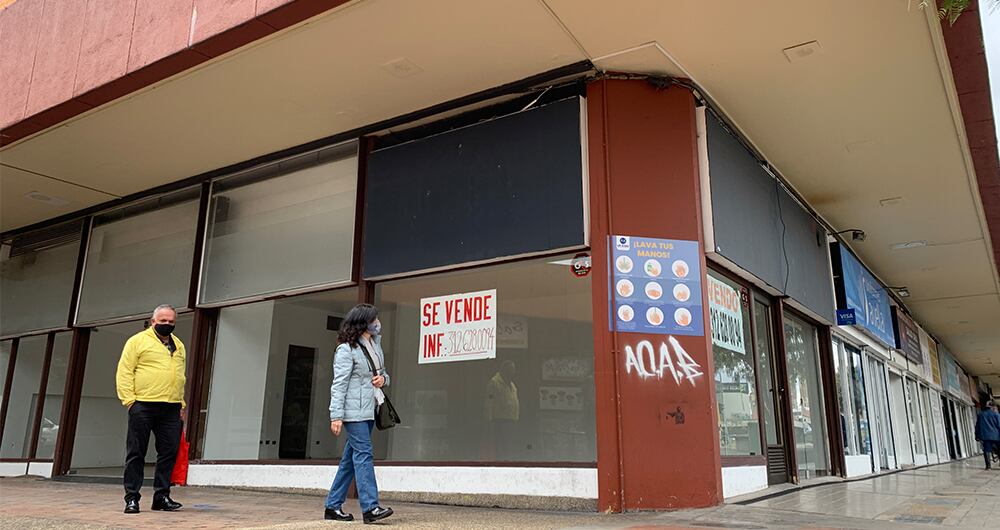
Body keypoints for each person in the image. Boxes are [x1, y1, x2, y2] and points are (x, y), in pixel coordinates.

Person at [325, 303, 394, 524]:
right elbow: (339, 384)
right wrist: (336, 415)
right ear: (363, 322)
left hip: (370, 409)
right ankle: (370, 508)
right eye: (374, 319)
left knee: (349, 460)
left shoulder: (374, 345)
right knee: (364, 454)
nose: (378, 323)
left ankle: (332, 506)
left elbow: (383, 375)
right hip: (353, 413)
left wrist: (383, 380)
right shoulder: (346, 350)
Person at [115, 304, 186, 514]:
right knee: (136, 452)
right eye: (163, 321)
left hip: (171, 407)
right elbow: (125, 371)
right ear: (153, 321)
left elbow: (180, 376)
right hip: (143, 405)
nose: (167, 324)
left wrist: (181, 403)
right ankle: (132, 498)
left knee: (168, 453)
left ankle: (161, 497)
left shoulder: (179, 345)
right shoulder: (137, 341)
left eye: (171, 322)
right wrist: (129, 401)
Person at [485, 360, 519, 460]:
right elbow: (488, 403)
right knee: (501, 447)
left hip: (511, 420)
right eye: (511, 370)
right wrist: (489, 420)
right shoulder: (494, 383)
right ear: (504, 370)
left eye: (514, 370)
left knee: (509, 447)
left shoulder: (512, 384)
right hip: (499, 421)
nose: (513, 372)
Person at [974, 400, 1000, 470]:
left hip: (985, 436)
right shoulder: (996, 414)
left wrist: (976, 435)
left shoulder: (980, 414)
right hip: (997, 436)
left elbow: (977, 426)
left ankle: (988, 466)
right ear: (992, 407)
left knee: (986, 450)